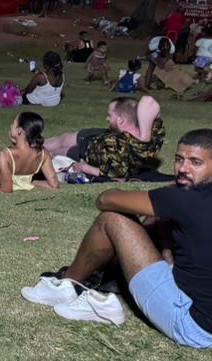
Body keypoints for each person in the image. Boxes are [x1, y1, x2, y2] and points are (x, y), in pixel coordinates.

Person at [21, 128, 212, 344]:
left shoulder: (181, 200)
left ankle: (68, 284)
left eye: (195, 162)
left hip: (190, 325)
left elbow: (105, 199)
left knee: (113, 219)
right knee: (154, 217)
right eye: (179, 159)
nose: (183, 169)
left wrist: (167, 192)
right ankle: (115, 277)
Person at [45, 96, 164, 180]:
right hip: (100, 136)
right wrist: (143, 138)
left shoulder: (118, 148)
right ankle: (32, 144)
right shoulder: (151, 134)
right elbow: (147, 101)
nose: (107, 119)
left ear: (120, 120)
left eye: (110, 115)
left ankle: (31, 151)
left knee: (58, 152)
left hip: (87, 151)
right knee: (63, 139)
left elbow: (113, 173)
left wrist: (85, 167)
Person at [0, 112, 59, 193]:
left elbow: (7, 189)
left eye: (14, 123)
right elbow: (54, 184)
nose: (11, 125)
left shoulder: (5, 155)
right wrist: (31, 182)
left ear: (19, 130)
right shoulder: (43, 154)